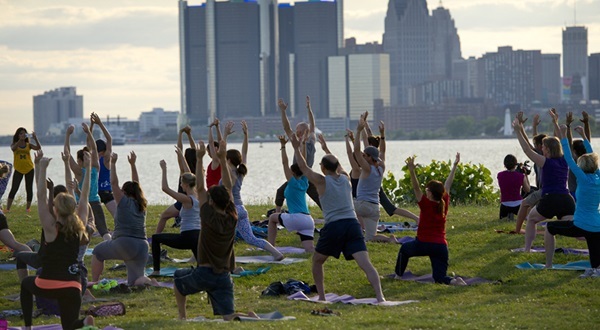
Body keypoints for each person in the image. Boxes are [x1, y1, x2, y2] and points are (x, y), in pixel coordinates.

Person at [289, 133, 385, 302]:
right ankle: (380, 297)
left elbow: (303, 167)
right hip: (353, 225)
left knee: (317, 261)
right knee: (366, 264)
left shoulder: (321, 181)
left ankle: (322, 297)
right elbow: (337, 165)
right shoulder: (345, 178)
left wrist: (297, 147)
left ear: (323, 168)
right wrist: (326, 148)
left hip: (334, 226)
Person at [173, 139, 257, 321]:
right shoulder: (232, 216)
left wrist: (200, 158)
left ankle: (182, 317)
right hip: (224, 276)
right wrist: (221, 158)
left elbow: (201, 187)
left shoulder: (207, 216)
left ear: (211, 202)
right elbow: (228, 186)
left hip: (204, 273)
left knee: (178, 279)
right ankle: (249, 317)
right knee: (228, 316)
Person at [20, 152, 94, 330]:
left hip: (48, 283)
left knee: (25, 284)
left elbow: (40, 196)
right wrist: (88, 168)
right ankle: (84, 322)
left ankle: (28, 327)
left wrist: (42, 168)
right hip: (74, 285)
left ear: (56, 209)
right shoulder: (79, 226)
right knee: (70, 326)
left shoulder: (51, 228)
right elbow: (84, 196)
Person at [391, 154, 466, 285]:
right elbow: (448, 184)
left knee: (404, 250)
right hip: (441, 247)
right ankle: (455, 281)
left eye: (427, 190)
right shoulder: (444, 203)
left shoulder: (426, 204)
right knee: (439, 278)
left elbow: (415, 188)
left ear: (430, 193)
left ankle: (398, 276)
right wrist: (454, 166)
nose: (425, 191)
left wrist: (411, 170)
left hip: (423, 244)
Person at [91, 151, 157, 287]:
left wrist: (113, 164)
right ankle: (150, 282)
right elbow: (136, 184)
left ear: (125, 192)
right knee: (135, 282)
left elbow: (113, 183)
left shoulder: (123, 201)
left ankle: (95, 282)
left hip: (125, 243)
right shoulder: (142, 204)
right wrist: (133, 165)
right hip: (142, 247)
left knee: (97, 251)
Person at [544, 117, 600, 275]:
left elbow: (568, 158)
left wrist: (563, 137)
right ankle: (595, 270)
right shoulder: (599, 177)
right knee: (595, 261)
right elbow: (593, 157)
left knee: (549, 227)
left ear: (582, 167)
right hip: (597, 226)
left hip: (581, 225)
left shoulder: (582, 177)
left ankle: (548, 265)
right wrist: (583, 137)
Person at [514, 110, 575, 252]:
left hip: (550, 199)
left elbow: (527, 151)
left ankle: (527, 249)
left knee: (532, 220)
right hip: (566, 200)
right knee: (578, 231)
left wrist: (517, 131)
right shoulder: (565, 159)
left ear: (547, 149)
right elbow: (563, 142)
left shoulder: (545, 162)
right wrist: (555, 123)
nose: (541, 148)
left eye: (543, 147)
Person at [222, 121, 284, 260]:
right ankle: (276, 253)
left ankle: (221, 259)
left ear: (229, 160)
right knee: (251, 238)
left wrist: (225, 135)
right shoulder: (240, 171)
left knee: (221, 236)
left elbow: (221, 151)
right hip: (242, 209)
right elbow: (244, 152)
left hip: (231, 210)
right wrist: (246, 135)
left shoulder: (228, 172)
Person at [150, 148, 201, 275]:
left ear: (185, 185)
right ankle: (202, 270)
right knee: (201, 267)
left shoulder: (186, 199)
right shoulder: (197, 195)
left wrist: (164, 170)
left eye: (181, 183)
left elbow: (165, 188)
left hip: (188, 237)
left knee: (156, 238)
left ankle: (156, 271)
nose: (180, 185)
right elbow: (189, 173)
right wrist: (182, 157)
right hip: (198, 236)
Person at [267, 135, 315, 253]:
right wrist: (302, 145)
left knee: (273, 218)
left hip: (297, 218)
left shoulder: (292, 182)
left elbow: (285, 163)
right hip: (308, 220)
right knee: (310, 249)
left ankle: (270, 247)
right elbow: (303, 164)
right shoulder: (305, 182)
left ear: (292, 173)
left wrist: (283, 146)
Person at [353, 117, 397, 243]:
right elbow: (382, 150)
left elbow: (356, 151)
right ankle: (390, 240)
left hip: (362, 205)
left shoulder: (367, 168)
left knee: (344, 206)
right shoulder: (381, 166)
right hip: (374, 208)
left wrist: (358, 131)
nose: (362, 156)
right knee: (371, 237)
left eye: (365, 155)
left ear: (369, 157)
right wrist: (382, 135)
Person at [65, 123, 111, 241]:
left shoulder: (78, 172)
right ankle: (110, 245)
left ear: (80, 161)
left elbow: (67, 154)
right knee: (103, 230)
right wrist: (89, 133)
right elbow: (94, 149)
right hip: (95, 202)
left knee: (78, 229)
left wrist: (68, 135)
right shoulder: (96, 168)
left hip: (81, 204)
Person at [275, 97, 321, 213]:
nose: (297, 133)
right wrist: (283, 111)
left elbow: (312, 125)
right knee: (280, 192)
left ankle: (329, 216)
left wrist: (309, 109)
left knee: (318, 197)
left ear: (306, 132)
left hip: (306, 175)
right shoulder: (296, 141)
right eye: (297, 131)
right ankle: (277, 214)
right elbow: (287, 128)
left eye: (300, 132)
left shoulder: (310, 140)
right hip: (295, 175)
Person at [158, 125, 196, 229]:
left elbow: (179, 150)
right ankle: (179, 220)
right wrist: (189, 135)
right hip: (194, 202)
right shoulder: (198, 170)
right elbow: (194, 150)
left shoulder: (184, 171)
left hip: (181, 203)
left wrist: (180, 133)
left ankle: (158, 235)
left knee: (163, 216)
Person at [514, 113, 546, 234]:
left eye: (536, 144)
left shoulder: (541, 156)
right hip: (542, 189)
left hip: (543, 190)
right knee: (531, 208)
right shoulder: (544, 153)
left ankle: (519, 230)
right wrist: (528, 126)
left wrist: (520, 128)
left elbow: (527, 145)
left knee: (525, 204)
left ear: (539, 146)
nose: (534, 145)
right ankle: (531, 227)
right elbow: (532, 140)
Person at [0, 163, 31, 281]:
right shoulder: (3, 182)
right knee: (14, 243)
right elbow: (9, 165)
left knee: (13, 244)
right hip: (1, 217)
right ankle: (34, 258)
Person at [6, 127, 41, 212]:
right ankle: (7, 209)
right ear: (17, 135)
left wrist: (35, 138)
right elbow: (13, 149)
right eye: (21, 133)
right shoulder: (14, 144)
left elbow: (38, 147)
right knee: (14, 188)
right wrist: (20, 140)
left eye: (24, 134)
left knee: (29, 189)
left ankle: (28, 208)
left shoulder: (28, 145)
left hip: (29, 168)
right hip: (18, 169)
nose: (22, 135)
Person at [91, 112, 117, 219]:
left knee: (91, 218)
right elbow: (109, 139)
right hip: (104, 192)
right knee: (117, 217)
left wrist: (92, 125)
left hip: (95, 192)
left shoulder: (94, 159)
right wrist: (99, 124)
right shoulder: (105, 159)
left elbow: (89, 140)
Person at [497, 154, 530, 220]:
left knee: (503, 218)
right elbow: (527, 190)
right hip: (518, 205)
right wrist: (525, 175)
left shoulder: (500, 175)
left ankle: (509, 215)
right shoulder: (521, 176)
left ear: (505, 164)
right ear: (515, 164)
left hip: (504, 205)